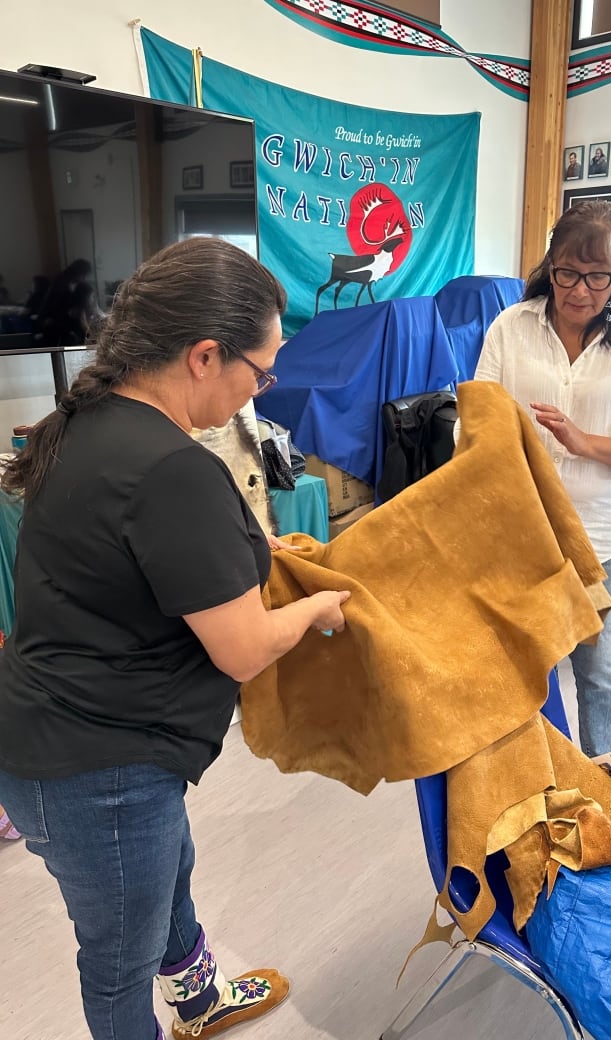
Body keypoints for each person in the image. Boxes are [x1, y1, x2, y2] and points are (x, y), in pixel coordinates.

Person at [0, 237, 351, 1040]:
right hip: (96, 767)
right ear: (203, 356)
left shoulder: (85, 420)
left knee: (170, 877)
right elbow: (245, 648)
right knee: (117, 963)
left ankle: (198, 1002)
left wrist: (260, 558)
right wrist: (316, 607)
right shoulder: (171, 467)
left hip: (74, 744)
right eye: (260, 373)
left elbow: (145, 567)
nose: (260, 389)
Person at [472, 200, 611, 759]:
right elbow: (477, 420)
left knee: (598, 665)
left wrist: (584, 443)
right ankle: (523, 779)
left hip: (598, 538)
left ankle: (609, 782)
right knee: (517, 664)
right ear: (550, 265)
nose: (580, 291)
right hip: (522, 534)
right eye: (567, 272)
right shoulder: (512, 328)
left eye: (597, 277)